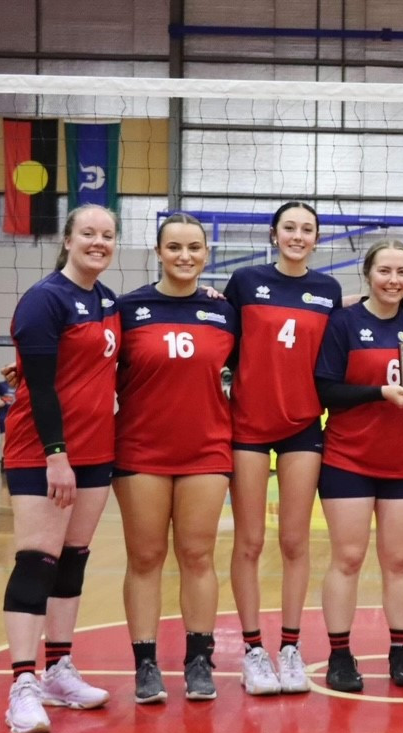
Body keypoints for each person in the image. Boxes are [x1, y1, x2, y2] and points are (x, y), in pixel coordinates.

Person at [0, 204, 120, 733]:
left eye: (107, 235)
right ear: (68, 239)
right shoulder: (45, 300)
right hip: (42, 451)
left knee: (73, 559)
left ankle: (59, 670)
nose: (98, 242)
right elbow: (41, 387)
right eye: (88, 233)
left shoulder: (107, 300)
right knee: (37, 561)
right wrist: (56, 453)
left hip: (97, 450)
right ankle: (22, 685)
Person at [112, 213, 238, 704]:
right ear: (158, 252)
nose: (185, 256)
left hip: (206, 448)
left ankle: (199, 661)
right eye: (174, 247)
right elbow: (84, 353)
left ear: (207, 253)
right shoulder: (127, 309)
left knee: (198, 555)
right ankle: (145, 664)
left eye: (194, 247)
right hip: (141, 449)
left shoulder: (226, 312)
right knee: (145, 557)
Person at [223, 201, 342, 696]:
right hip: (248, 424)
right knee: (249, 542)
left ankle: (290, 647)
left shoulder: (328, 290)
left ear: (317, 238)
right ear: (274, 235)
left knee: (295, 542)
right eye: (289, 228)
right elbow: (219, 337)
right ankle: (254, 650)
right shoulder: (245, 282)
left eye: (306, 229)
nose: (297, 235)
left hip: (302, 426)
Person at [314, 240, 403, 692]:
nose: (394, 280)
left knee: (398, 560)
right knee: (347, 558)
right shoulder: (343, 322)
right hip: (348, 458)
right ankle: (340, 655)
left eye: (402, 272)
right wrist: (377, 392)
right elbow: (325, 390)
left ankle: (400, 651)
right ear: (367, 273)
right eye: (384, 270)